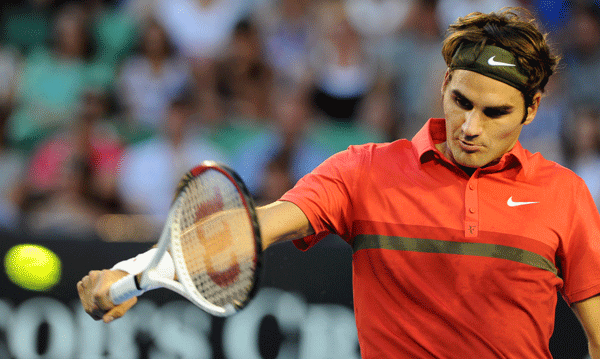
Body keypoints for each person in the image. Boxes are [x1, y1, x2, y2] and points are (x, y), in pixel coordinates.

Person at [77, 8, 600, 358]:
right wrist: (134, 270)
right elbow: (252, 228)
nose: (470, 126)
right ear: (444, 83)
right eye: (461, 101)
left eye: (495, 112)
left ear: (532, 109)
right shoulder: (364, 169)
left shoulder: (565, 195)